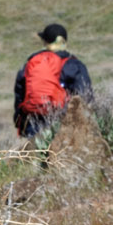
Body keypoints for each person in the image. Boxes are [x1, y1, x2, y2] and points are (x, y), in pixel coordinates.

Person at [12, 22, 94, 158]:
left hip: (34, 121)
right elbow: (85, 96)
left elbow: (20, 96)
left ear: (45, 41)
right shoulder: (73, 64)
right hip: (62, 120)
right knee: (61, 160)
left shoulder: (31, 63)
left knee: (34, 164)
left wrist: (20, 124)